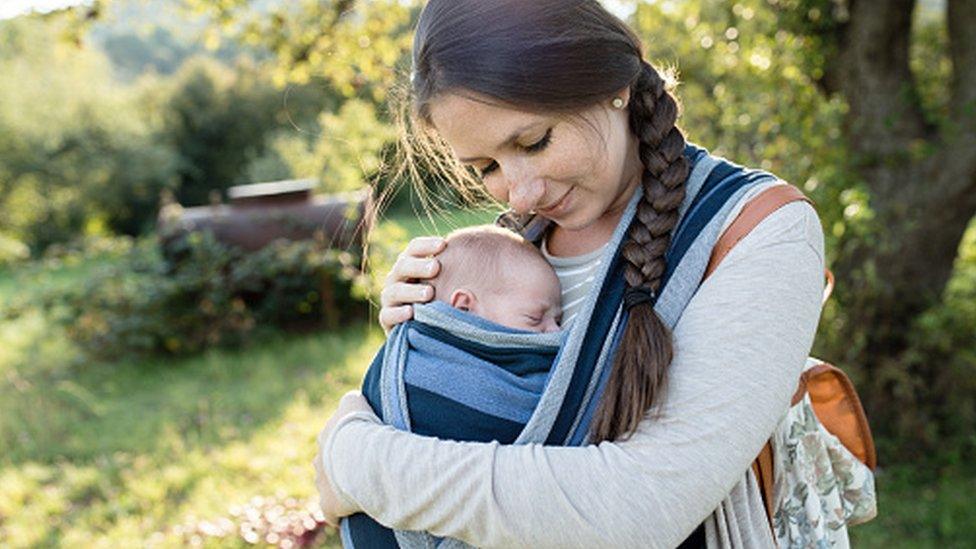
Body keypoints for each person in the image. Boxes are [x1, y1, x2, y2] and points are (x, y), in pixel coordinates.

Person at [313, 1, 825, 547]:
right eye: (486, 168)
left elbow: (642, 506)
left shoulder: (760, 230)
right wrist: (426, 346)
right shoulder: (504, 255)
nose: (522, 192)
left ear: (611, 85)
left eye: (534, 142)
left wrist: (356, 460)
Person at [344, 225, 564, 546]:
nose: (554, 333)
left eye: (559, 320)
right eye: (535, 319)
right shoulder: (417, 363)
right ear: (463, 306)